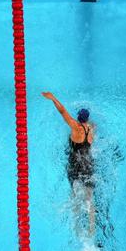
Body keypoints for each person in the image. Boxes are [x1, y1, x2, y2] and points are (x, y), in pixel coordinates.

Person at [42, 92, 96, 237]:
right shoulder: (91, 129)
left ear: (78, 118)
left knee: (74, 193)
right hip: (88, 163)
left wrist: (53, 98)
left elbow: (62, 111)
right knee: (90, 197)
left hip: (75, 163)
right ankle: (91, 230)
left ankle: (77, 229)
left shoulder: (75, 127)